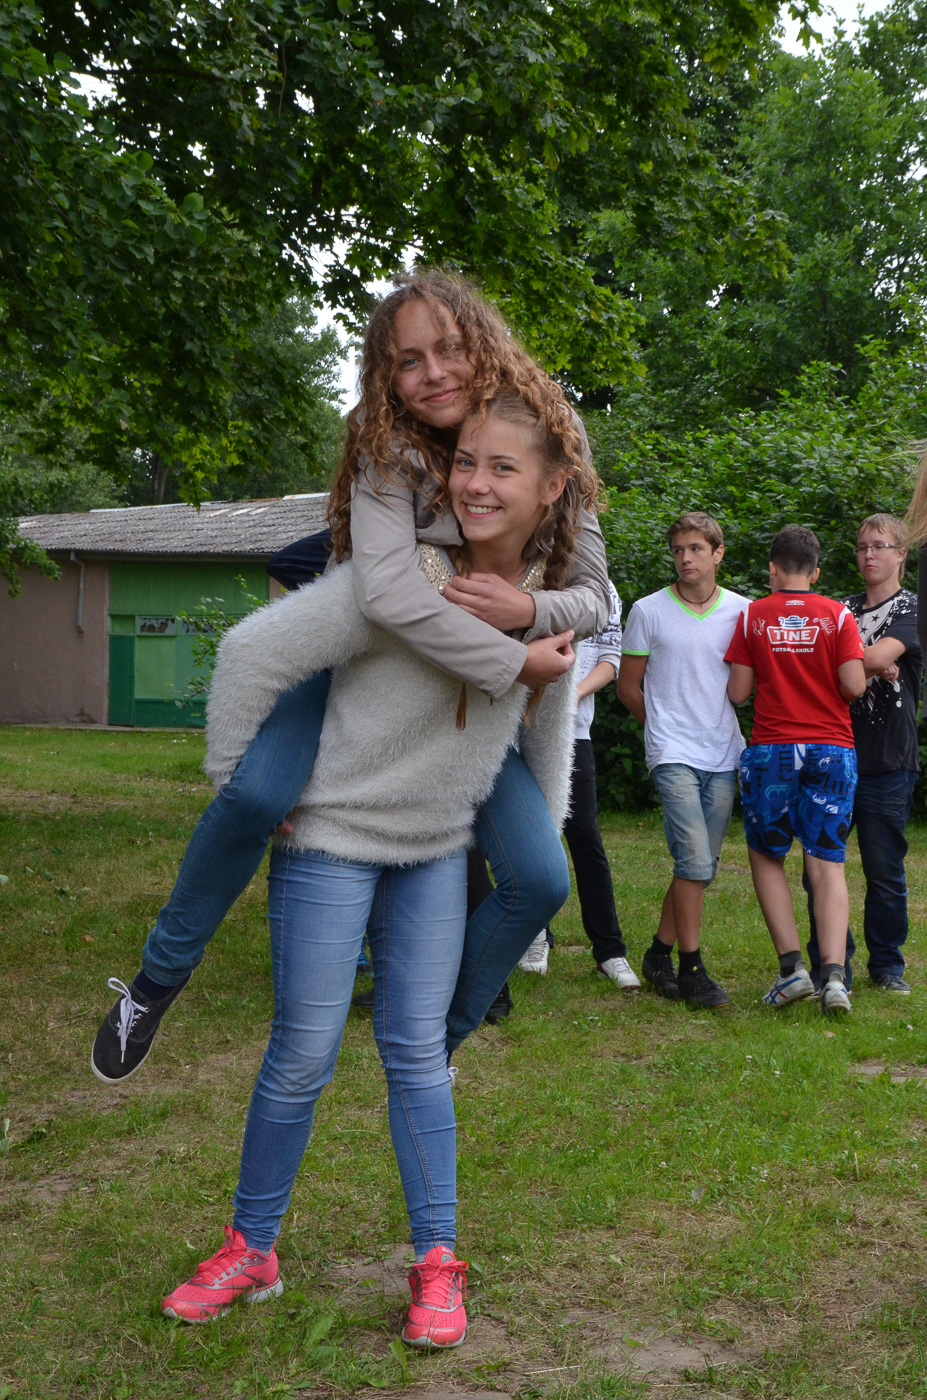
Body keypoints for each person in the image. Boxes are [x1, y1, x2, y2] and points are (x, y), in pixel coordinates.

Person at [91, 270, 611, 1084]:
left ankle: (440, 1038)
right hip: (355, 662)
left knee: (541, 877)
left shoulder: (546, 426)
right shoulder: (388, 447)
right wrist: (513, 659)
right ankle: (158, 978)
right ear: (386, 375)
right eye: (408, 361)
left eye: (448, 349)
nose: (433, 373)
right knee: (256, 796)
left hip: (456, 697)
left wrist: (525, 609)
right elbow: (388, 596)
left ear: (482, 342)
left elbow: (592, 591)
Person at [158, 389, 591, 1346]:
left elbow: (542, 738)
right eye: (465, 462)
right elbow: (257, 649)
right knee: (302, 1052)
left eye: (503, 468)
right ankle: (251, 1248)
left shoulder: (548, 602)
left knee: (418, 1057)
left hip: (431, 849)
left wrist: (542, 842)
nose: (476, 484)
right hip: (331, 837)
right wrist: (245, 783)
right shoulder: (400, 573)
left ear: (552, 487)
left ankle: (436, 1264)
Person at [725, 525, 866, 1015]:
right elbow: (853, 685)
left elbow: (738, 692)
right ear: (816, 572)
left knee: (767, 857)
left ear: (773, 568)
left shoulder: (753, 615)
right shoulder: (838, 615)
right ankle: (835, 979)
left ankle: (792, 971)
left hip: (773, 750)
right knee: (827, 861)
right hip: (832, 748)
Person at [617, 513, 748, 1009]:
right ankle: (692, 970)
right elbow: (628, 687)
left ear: (718, 553)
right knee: (693, 859)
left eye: (695, 548)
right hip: (672, 751)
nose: (685, 558)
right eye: (678, 550)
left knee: (702, 867)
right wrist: (662, 731)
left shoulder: (743, 611)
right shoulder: (648, 610)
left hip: (724, 751)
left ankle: (657, 955)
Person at [804, 514, 921, 993]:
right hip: (834, 754)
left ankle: (888, 965)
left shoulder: (913, 607)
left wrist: (863, 662)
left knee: (884, 869)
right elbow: (817, 665)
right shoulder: (840, 608)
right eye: (861, 546)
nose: (868, 554)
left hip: (888, 761)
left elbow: (868, 659)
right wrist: (870, 663)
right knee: (819, 867)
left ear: (901, 554)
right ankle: (833, 963)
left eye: (879, 546)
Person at [518, 580, 640, 989]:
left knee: (584, 835)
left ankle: (610, 951)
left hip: (572, 731)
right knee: (527, 838)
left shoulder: (603, 589)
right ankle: (535, 936)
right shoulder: (527, 572)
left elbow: (610, 659)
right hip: (513, 731)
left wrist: (570, 698)